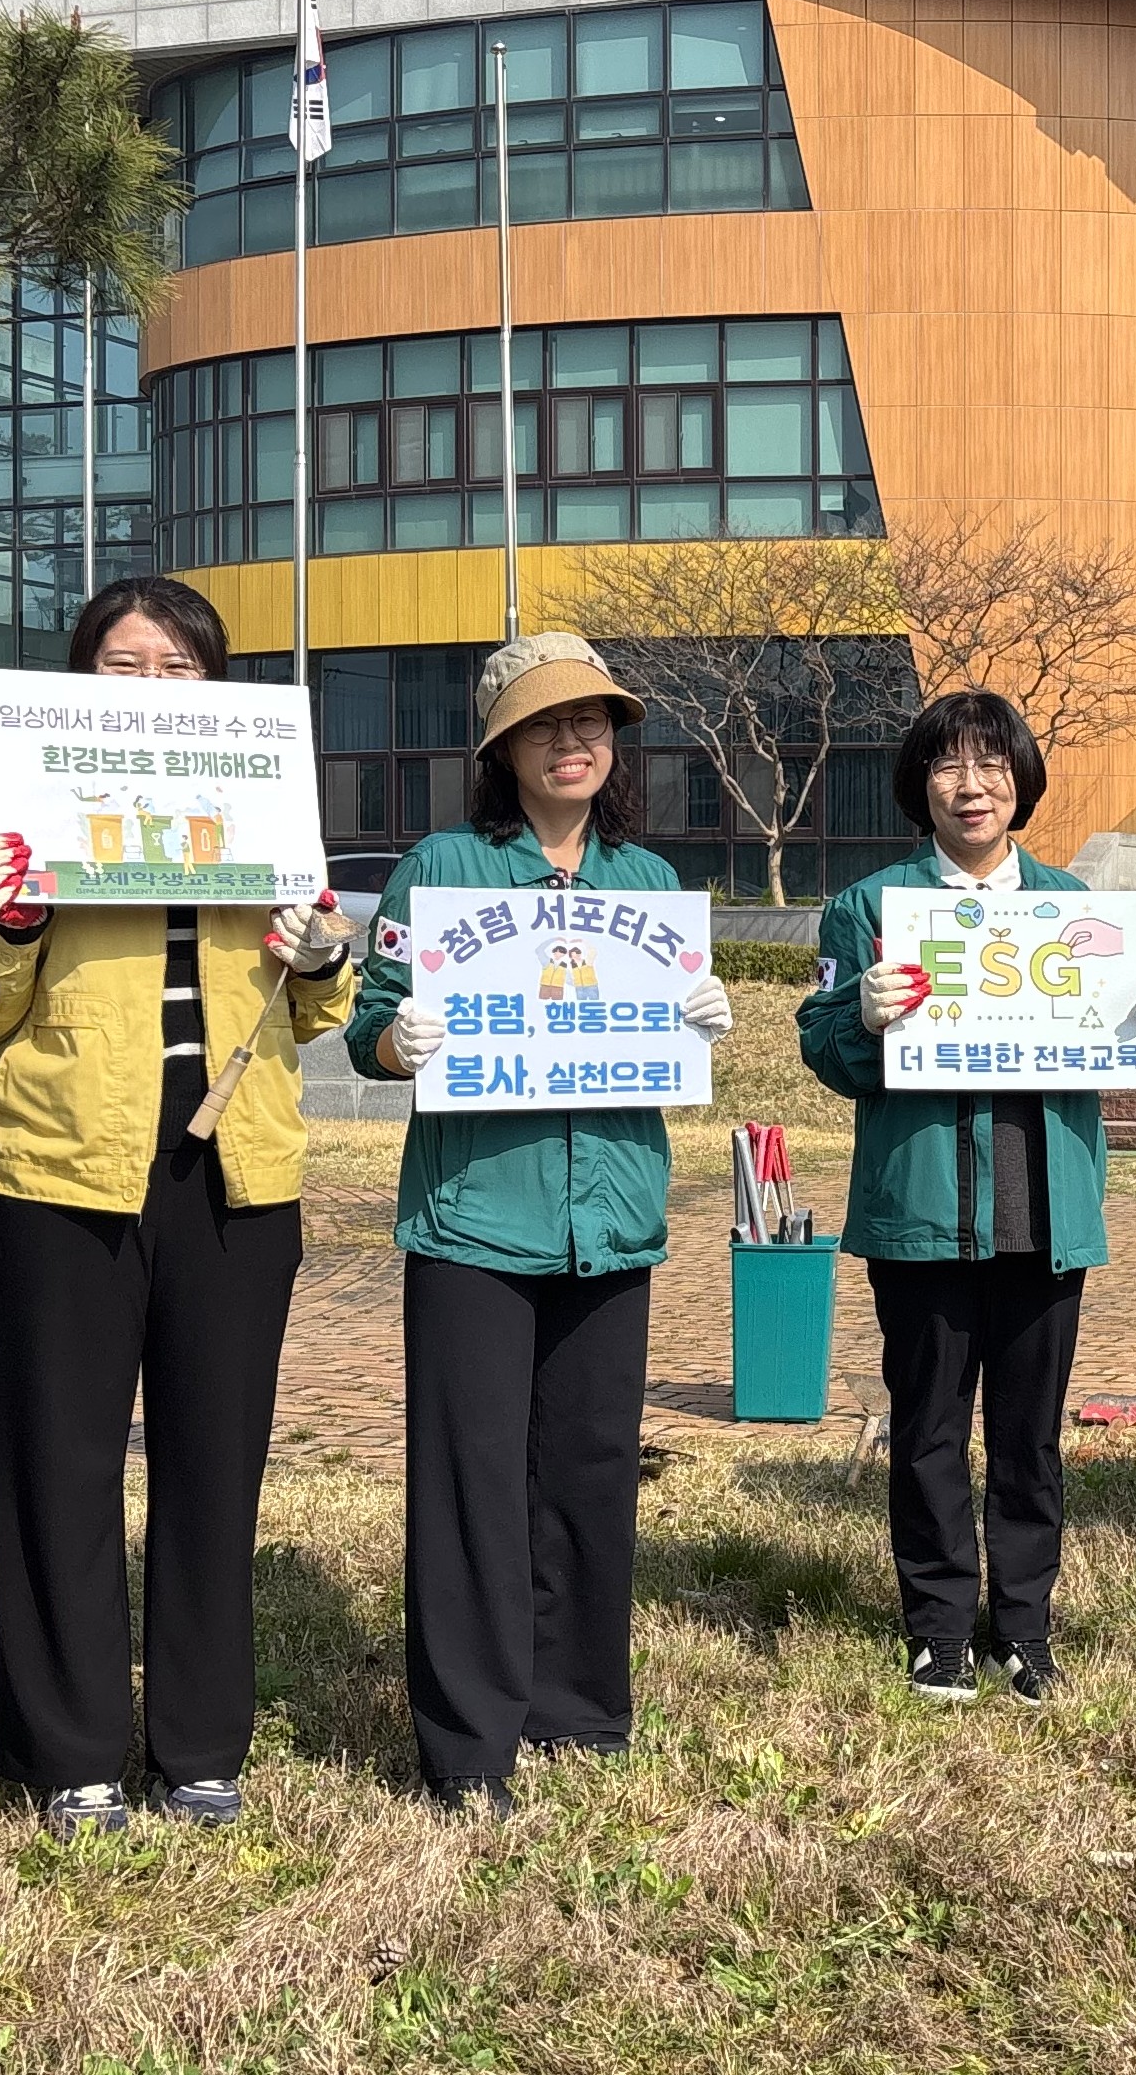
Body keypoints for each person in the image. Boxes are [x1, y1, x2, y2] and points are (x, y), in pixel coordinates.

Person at [0, 578, 355, 1833]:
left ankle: (197, 1745)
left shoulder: (271, 809)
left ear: (214, 687)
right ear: (78, 682)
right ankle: (68, 1751)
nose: (150, 687)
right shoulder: (8, 813)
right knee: (57, 1462)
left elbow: (316, 1011)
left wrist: (325, 954)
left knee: (214, 1461)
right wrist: (8, 922)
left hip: (235, 1164)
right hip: (63, 1163)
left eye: (177, 668)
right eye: (123, 664)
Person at [347, 635, 736, 1813]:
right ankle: (470, 1740)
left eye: (594, 723)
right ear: (500, 747)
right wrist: (390, 1040)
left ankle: (579, 1707)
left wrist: (697, 1019)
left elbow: (665, 1039)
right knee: (468, 1476)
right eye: (545, 724)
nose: (574, 743)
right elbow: (371, 1016)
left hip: (611, 1213)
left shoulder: (652, 886)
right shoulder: (441, 868)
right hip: (474, 1217)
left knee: (592, 1463)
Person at [804, 692, 1136, 1702]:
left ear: (1020, 779)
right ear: (921, 787)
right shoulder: (869, 907)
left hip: (1044, 1210)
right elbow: (822, 1043)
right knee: (930, 1428)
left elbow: (1112, 1049)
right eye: (948, 766)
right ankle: (939, 1625)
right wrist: (855, 1017)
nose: (971, 784)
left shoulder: (1072, 904)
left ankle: (1024, 1626)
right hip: (921, 1215)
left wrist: (1135, 1012)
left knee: (1031, 1437)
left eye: (991, 764)